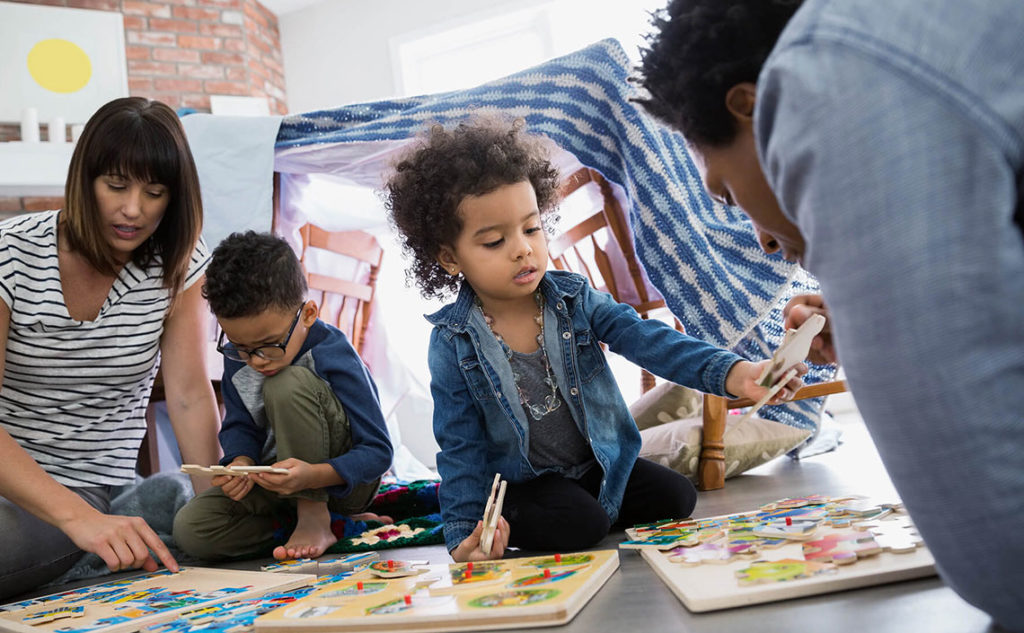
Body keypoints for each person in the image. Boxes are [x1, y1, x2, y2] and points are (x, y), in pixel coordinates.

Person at [636, 0, 1024, 629]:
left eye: (727, 193)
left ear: (749, 106)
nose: (764, 240)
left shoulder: (831, 82)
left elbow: (1001, 556)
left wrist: (884, 327)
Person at [384, 116, 805, 562]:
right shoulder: (453, 343)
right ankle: (550, 514)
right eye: (494, 242)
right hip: (526, 484)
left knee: (677, 496)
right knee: (579, 524)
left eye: (531, 228)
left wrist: (735, 373)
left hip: (598, 467)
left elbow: (648, 340)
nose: (523, 248)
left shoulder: (575, 299)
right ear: (450, 258)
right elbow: (460, 445)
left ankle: (595, 509)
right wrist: (463, 533)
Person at [0, 97, 221, 598]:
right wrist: (77, 520)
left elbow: (189, 395)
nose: (133, 209)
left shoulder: (178, 262)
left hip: (85, 486)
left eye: (155, 192)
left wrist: (217, 515)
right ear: (85, 180)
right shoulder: (10, 253)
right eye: (116, 186)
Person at [172, 231, 393, 562]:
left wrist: (314, 477)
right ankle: (333, 527)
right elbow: (240, 425)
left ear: (308, 314)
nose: (257, 360)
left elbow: (378, 453)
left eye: (269, 345)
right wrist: (241, 461)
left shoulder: (333, 353)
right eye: (241, 347)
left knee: (285, 383)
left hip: (339, 485)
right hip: (276, 487)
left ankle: (314, 516)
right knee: (191, 529)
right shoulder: (241, 355)